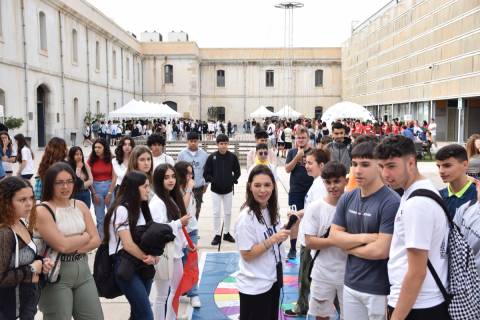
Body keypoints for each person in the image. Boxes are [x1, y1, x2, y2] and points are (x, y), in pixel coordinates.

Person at [375, 135, 450, 319]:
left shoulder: (417, 205)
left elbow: (417, 272)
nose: (385, 174)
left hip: (417, 305)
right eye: (381, 167)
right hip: (419, 302)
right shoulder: (418, 191)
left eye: (392, 166)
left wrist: (397, 316)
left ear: (411, 163)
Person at [329, 141, 400, 320]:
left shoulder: (391, 202)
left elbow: (381, 251)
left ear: (379, 166)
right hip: (351, 283)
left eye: (365, 164)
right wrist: (366, 237)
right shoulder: (348, 197)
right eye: (354, 164)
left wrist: (347, 246)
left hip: (379, 288)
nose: (357, 170)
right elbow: (334, 236)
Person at [35, 162, 103, 319]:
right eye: (59, 182)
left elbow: (96, 240)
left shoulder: (80, 205)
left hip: (83, 269)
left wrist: (77, 245)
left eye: (69, 181)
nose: (65, 186)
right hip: (57, 272)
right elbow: (62, 246)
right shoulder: (42, 210)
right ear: (50, 184)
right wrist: (84, 236)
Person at [234, 165, 290, 320]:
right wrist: (273, 239)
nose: (262, 190)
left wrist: (288, 227)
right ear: (249, 187)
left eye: (267, 185)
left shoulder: (270, 209)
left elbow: (273, 236)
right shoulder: (246, 218)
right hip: (255, 286)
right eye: (257, 185)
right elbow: (247, 254)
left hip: (272, 279)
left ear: (274, 186)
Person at [104, 171, 157, 320]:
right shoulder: (121, 210)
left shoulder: (142, 207)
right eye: (145, 187)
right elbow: (127, 244)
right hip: (127, 266)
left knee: (137, 314)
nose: (148, 190)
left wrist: (154, 256)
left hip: (143, 266)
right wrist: (148, 258)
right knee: (146, 315)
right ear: (134, 188)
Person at [284, 148, 330, 317]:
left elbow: (318, 212)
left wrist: (300, 215)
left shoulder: (319, 185)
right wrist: (299, 213)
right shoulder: (318, 182)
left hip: (310, 239)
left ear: (322, 165)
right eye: (305, 163)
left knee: (305, 277)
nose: (306, 167)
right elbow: (313, 208)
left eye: (310, 163)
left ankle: (302, 307)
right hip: (310, 237)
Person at [0, 177, 53, 320]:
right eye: (22, 200)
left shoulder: (21, 223)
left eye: (31, 198)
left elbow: (23, 258)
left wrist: (41, 261)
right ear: (6, 202)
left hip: (26, 304)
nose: (29, 204)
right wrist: (32, 269)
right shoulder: (4, 233)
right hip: (10, 311)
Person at [304, 162, 349, 320]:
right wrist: (337, 240)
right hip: (322, 272)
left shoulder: (353, 206)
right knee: (321, 315)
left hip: (349, 273)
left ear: (346, 181)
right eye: (328, 182)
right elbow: (309, 241)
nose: (332, 186)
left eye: (337, 181)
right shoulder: (315, 207)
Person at [149, 164, 191, 320]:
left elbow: (177, 227)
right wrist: (179, 223)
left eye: (173, 176)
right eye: (166, 177)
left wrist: (187, 244)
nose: (171, 180)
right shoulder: (157, 202)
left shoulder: (171, 197)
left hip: (176, 252)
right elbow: (158, 229)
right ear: (159, 180)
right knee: (162, 295)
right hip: (164, 253)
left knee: (176, 291)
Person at [204, 134, 241, 245]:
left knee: (228, 212)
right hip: (215, 190)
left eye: (225, 143)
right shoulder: (212, 157)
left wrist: (232, 180)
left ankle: (226, 233)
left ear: (228, 144)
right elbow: (206, 174)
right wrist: (213, 180)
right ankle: (217, 234)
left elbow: (238, 172)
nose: (223, 146)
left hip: (228, 190)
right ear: (217, 144)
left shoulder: (232, 157)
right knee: (216, 212)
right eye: (221, 144)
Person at [174, 161, 202, 308]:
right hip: (179, 231)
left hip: (192, 230)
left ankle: (194, 293)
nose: (190, 176)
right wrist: (189, 190)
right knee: (178, 263)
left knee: (191, 262)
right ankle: (179, 291)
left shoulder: (189, 188)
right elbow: (182, 209)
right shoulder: (176, 190)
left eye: (191, 173)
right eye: (187, 173)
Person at [284, 126, 314, 261]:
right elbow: (287, 169)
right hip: (296, 191)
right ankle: (292, 248)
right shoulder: (292, 152)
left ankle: (309, 246)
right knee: (295, 219)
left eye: (303, 137)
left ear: (308, 138)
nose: (300, 140)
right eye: (298, 137)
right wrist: (297, 157)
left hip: (311, 190)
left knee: (311, 218)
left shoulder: (314, 152)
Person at [436, 144, 477, 218]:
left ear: (465, 165)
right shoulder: (437, 197)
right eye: (439, 166)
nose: (441, 171)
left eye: (447, 165)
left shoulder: (477, 196)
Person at [177, 131, 209, 220]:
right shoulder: (181, 154)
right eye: (191, 141)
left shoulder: (204, 154)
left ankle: (194, 228)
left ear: (198, 141)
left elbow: (207, 171)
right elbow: (177, 170)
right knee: (184, 208)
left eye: (195, 141)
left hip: (198, 187)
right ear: (187, 141)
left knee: (196, 209)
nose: (193, 143)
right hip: (184, 187)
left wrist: (206, 184)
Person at [88, 138, 116, 239]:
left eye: (99, 147)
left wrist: (109, 193)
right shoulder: (91, 159)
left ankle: (113, 238)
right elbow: (89, 177)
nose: (97, 149)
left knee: (112, 216)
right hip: (96, 187)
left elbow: (114, 177)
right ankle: (102, 240)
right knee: (100, 217)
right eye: (95, 147)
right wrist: (94, 193)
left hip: (109, 187)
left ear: (105, 148)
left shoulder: (112, 159)